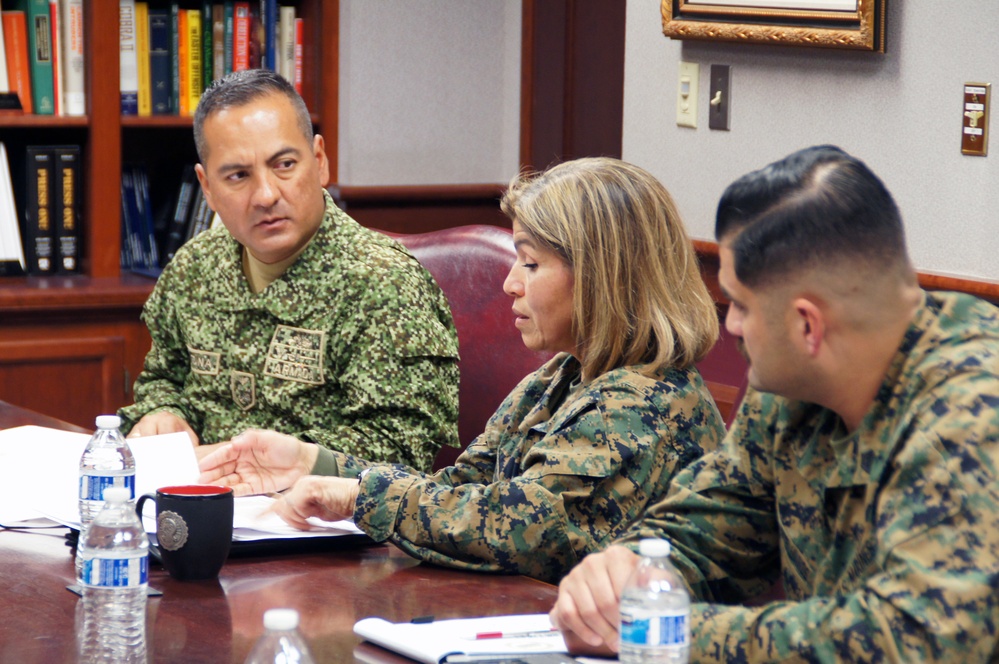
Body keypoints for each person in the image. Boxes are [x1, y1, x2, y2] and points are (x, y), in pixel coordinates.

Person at [549, 145, 999, 662]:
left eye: (740, 305)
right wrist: (625, 571)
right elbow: (713, 522)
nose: (730, 326)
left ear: (807, 325)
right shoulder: (791, 389)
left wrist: (669, 631)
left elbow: (915, 639)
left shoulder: (974, 411)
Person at [198, 157, 727, 583]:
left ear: (601, 277)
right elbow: (462, 488)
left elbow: (520, 525)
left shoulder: (641, 404)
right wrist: (318, 465)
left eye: (532, 264)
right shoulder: (562, 377)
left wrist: (359, 495)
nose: (510, 283)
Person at [118, 69, 460, 471]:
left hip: (321, 523)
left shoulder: (383, 285)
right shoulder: (194, 269)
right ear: (207, 187)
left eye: (284, 164)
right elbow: (163, 378)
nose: (265, 195)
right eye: (238, 176)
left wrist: (272, 464)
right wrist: (162, 413)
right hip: (203, 505)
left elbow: (400, 452)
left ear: (319, 161)